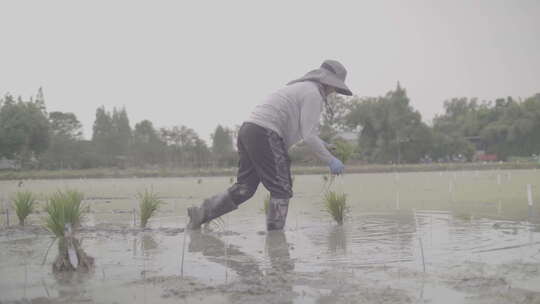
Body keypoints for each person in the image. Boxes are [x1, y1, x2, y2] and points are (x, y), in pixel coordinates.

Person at [188, 59, 353, 230]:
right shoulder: (314, 94)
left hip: (249, 130)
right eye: (335, 87)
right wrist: (330, 160)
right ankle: (276, 236)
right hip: (265, 133)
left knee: (245, 187)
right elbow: (309, 135)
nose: (334, 91)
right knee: (281, 188)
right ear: (328, 82)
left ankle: (201, 214)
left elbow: (307, 132)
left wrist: (323, 145)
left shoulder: (301, 89)